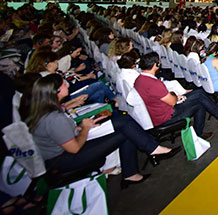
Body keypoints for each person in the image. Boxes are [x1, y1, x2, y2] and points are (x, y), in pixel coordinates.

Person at [28, 74, 179, 188]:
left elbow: (63, 133)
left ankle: (136, 168)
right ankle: (152, 150)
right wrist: (85, 129)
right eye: (64, 84)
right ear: (57, 90)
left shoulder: (47, 111)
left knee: (124, 124)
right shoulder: (53, 118)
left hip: (67, 149)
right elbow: (74, 148)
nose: (68, 84)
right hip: (64, 159)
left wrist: (83, 126)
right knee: (124, 128)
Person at [134, 52, 218, 139]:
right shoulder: (154, 84)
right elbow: (172, 101)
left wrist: (174, 96)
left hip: (156, 113)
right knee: (199, 95)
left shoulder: (139, 80)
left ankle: (203, 131)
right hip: (167, 116)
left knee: (200, 100)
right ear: (155, 65)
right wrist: (176, 96)